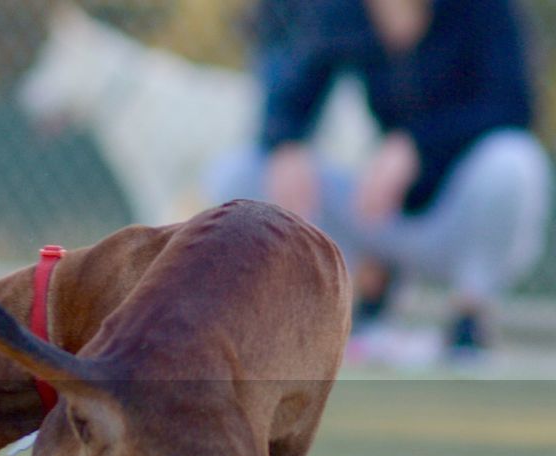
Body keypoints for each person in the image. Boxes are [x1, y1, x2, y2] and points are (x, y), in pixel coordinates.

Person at [208, 0, 551, 361]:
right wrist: (286, 144)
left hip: (458, 219)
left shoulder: (486, 9)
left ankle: (470, 314)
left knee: (514, 160)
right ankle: (343, 302)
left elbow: (514, 106)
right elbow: (296, 89)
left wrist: (417, 146)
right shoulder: (344, 11)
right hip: (381, 215)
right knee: (243, 172)